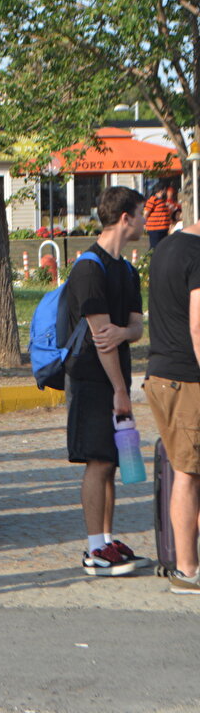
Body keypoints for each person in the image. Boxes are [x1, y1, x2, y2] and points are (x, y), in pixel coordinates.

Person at [60, 185, 150, 576]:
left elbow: (135, 328)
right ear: (125, 218)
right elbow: (101, 338)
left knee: (111, 461)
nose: (146, 221)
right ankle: (94, 548)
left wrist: (124, 333)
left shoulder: (127, 269)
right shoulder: (88, 268)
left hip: (116, 380)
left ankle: (108, 541)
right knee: (97, 461)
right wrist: (119, 390)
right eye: (142, 213)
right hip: (92, 380)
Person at [145, 214, 200, 593]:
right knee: (188, 473)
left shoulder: (167, 246)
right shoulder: (197, 254)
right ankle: (187, 570)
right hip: (186, 378)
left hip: (163, 374)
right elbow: (198, 326)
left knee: (191, 470)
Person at [144, 183, 180, 249]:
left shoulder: (162, 201)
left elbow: (166, 214)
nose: (165, 192)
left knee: (163, 247)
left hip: (163, 228)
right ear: (160, 190)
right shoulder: (153, 199)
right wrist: (144, 223)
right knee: (155, 247)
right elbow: (146, 212)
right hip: (155, 228)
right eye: (164, 190)